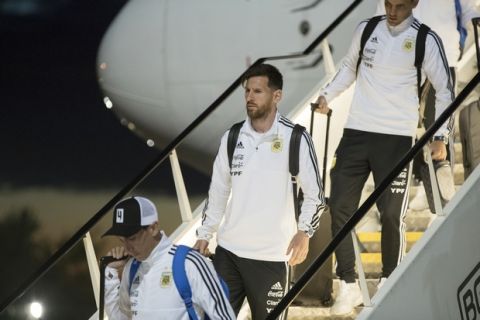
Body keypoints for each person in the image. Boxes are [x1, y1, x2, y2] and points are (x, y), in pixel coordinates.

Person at [313, 0, 454, 315]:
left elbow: (445, 88)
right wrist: (327, 94)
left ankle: (391, 282)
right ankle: (348, 285)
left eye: (401, 5)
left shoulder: (425, 39)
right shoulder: (366, 29)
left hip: (396, 139)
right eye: (389, 3)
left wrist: (441, 135)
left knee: (391, 215)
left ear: (414, 4)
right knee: (339, 207)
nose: (393, 10)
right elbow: (349, 66)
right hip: (356, 132)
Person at [194, 63, 325, 319]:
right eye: (247, 91)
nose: (250, 98)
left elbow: (315, 195)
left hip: (272, 258)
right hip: (228, 253)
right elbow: (218, 192)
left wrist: (304, 232)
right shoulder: (232, 137)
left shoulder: (295, 137)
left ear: (277, 96)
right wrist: (204, 234)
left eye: (257, 91)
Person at [376, 0, 479, 212]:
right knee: (410, 127)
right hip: (408, 62)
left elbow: (470, 12)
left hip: (444, 58)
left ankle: (439, 192)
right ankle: (421, 182)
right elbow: (381, 19)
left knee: (439, 127)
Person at [102, 196, 235, 320]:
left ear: (153, 228)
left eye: (132, 238)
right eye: (121, 240)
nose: (127, 247)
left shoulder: (189, 263)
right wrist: (110, 273)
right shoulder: (131, 269)